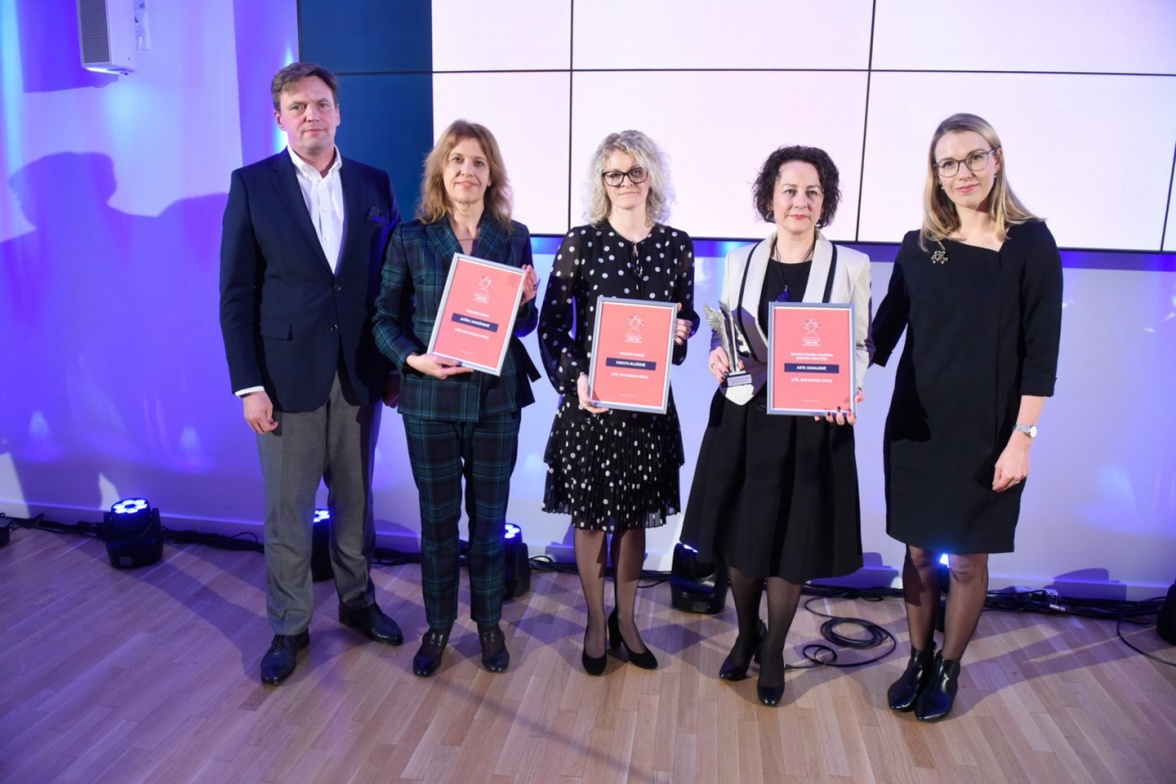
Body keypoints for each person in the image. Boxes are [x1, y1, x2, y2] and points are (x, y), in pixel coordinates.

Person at [872, 113, 1063, 722]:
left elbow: (1042, 353)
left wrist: (1022, 439)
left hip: (987, 432)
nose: (963, 172)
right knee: (918, 553)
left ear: (996, 159)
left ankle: (949, 667)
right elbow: (881, 334)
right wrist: (817, 365)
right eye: (949, 163)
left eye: (974, 157)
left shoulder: (1031, 242)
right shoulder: (918, 244)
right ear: (935, 173)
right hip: (917, 427)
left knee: (967, 559)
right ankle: (918, 659)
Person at [219, 62, 404, 686]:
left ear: (338, 113)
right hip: (282, 381)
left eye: (321, 104)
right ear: (279, 118)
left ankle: (357, 602)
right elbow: (236, 295)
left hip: (360, 374)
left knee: (355, 504)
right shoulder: (252, 185)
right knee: (287, 513)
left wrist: (395, 366)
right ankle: (290, 626)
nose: (311, 115)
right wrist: (248, 385)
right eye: (297, 106)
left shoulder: (375, 184)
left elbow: (391, 286)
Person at [679, 145, 872, 706]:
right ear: (770, 197)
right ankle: (747, 634)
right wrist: (716, 353)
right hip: (743, 417)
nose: (800, 201)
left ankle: (773, 650)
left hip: (811, 422)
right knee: (741, 540)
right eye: (789, 190)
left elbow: (860, 343)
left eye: (813, 192)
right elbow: (725, 329)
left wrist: (848, 388)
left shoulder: (851, 265)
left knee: (792, 540)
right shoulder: (740, 261)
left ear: (825, 202)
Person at [372, 120, 540, 677]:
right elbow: (382, 320)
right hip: (430, 400)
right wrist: (412, 359)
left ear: (492, 175)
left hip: (496, 399)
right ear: (440, 172)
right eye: (457, 160)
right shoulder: (410, 237)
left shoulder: (513, 236)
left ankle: (489, 625)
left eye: (478, 162)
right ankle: (439, 626)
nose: (467, 170)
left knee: (489, 524)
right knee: (438, 524)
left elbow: (523, 325)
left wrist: (525, 301)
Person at [538, 130, 698, 676]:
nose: (625, 182)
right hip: (592, 405)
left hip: (648, 411)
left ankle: (627, 621)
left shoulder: (677, 245)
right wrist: (575, 380)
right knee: (590, 521)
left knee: (633, 524)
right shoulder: (581, 242)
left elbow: (684, 325)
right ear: (601, 182)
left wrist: (680, 332)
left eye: (635, 172)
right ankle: (594, 622)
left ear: (651, 176)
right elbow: (551, 327)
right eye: (614, 174)